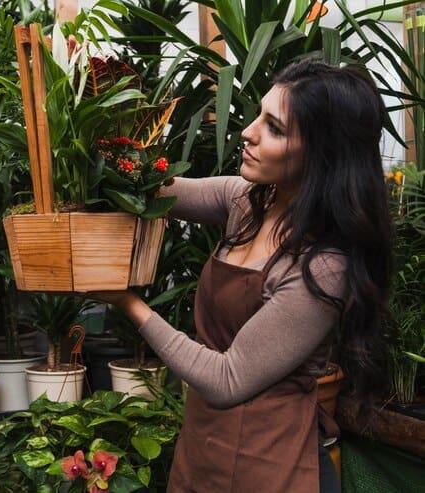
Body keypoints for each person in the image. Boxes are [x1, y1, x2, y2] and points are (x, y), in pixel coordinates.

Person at [86, 59, 393, 493]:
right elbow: (152, 188)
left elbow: (227, 378)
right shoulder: (247, 202)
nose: (248, 132)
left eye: (275, 128)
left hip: (268, 463)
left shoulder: (323, 266)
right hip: (204, 444)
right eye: (258, 115)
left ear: (321, 155)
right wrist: (98, 115)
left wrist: (129, 303)